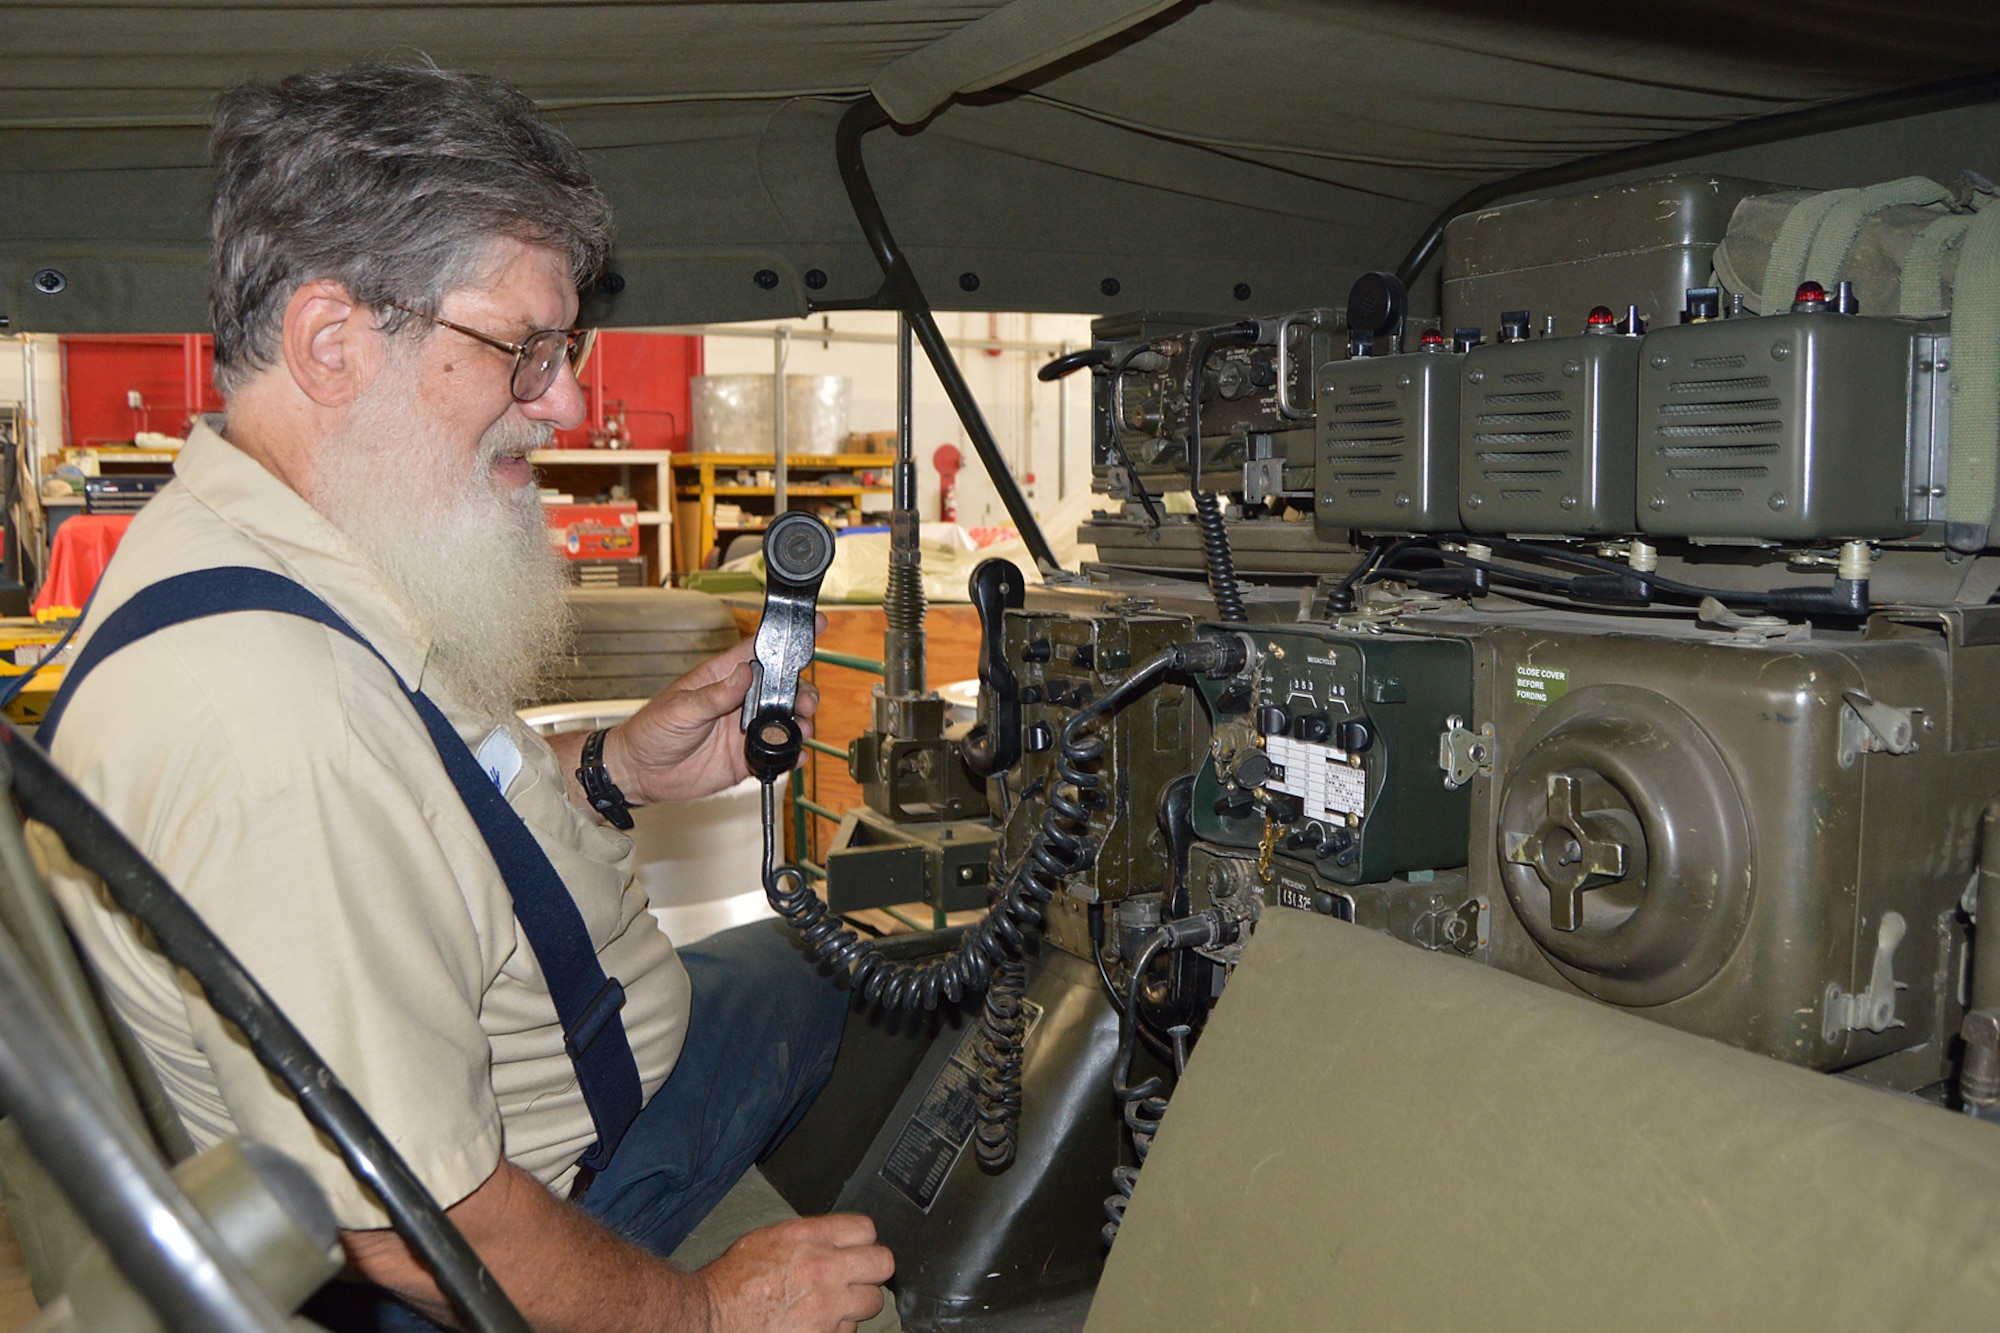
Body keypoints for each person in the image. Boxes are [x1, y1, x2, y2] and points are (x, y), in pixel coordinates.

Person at [34, 61, 894, 1332]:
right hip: (525, 1225)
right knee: (872, 984)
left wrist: (611, 772)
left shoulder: (288, 548)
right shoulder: (278, 720)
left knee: (818, 963)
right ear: (333, 342)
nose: (565, 400)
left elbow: (429, 806)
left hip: (570, 1066)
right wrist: (709, 1311)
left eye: (564, 348)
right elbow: (407, 1225)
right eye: (521, 348)